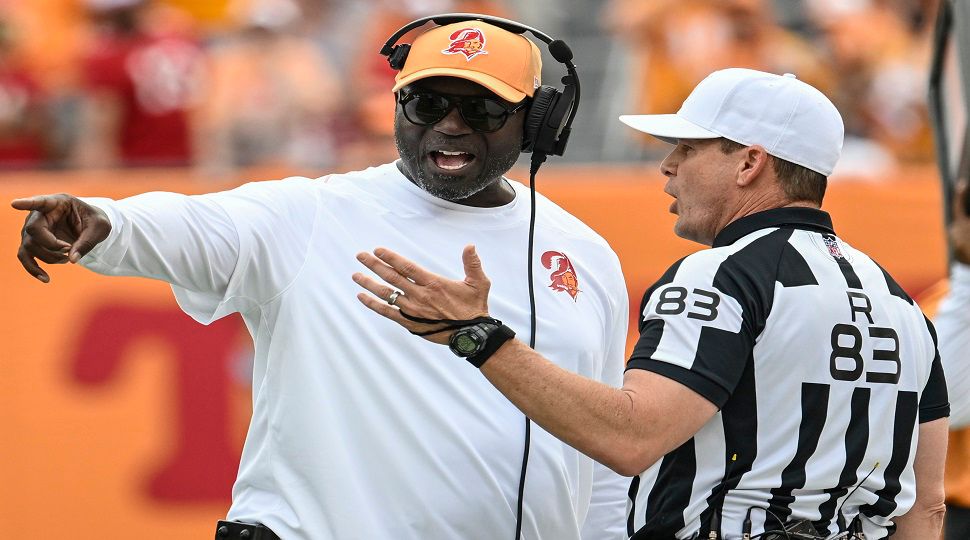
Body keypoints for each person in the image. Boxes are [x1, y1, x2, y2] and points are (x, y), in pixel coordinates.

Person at [11, 17, 629, 540]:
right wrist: (104, 221)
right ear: (396, 106)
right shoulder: (308, 213)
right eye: (427, 102)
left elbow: (598, 458)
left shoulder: (584, 252)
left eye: (482, 107)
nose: (449, 124)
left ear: (540, 121)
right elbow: (193, 225)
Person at [353, 68, 950, 539]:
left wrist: (478, 335)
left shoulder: (720, 273)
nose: (666, 165)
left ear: (749, 162)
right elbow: (925, 510)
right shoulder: (901, 304)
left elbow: (632, 438)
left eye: (687, 148)